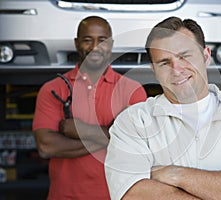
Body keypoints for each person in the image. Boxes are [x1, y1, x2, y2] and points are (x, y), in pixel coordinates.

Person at [105, 16, 221, 200]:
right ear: (154, 69)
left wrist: (175, 175)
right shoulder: (133, 122)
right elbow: (132, 195)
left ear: (206, 56)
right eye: (164, 62)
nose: (177, 69)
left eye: (184, 56)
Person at [32, 16, 147, 199]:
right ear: (77, 43)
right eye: (87, 40)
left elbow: (136, 144)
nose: (95, 47)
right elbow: (47, 146)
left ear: (111, 44)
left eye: (102, 40)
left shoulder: (131, 90)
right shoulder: (53, 89)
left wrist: (82, 130)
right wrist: (111, 135)